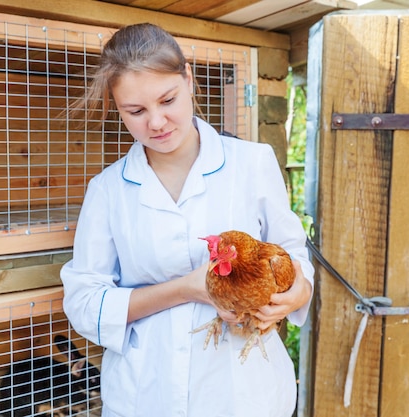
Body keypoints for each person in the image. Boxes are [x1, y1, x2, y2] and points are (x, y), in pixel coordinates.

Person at [60, 22, 314, 417]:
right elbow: (83, 303)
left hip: (243, 393)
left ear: (189, 79)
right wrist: (188, 289)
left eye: (167, 100)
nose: (156, 122)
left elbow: (294, 256)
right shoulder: (108, 190)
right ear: (117, 107)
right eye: (136, 111)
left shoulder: (252, 163)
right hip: (146, 394)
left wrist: (298, 291)